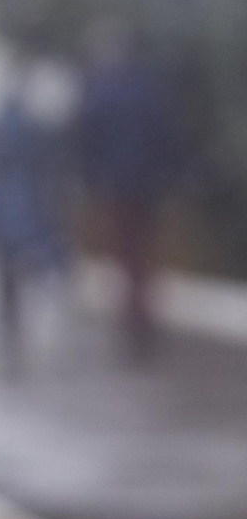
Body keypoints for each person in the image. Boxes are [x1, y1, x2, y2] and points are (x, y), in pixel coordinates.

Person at [76, 31, 183, 360]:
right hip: (147, 188)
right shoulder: (149, 89)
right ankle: (141, 320)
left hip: (115, 188)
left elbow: (84, 138)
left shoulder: (101, 92)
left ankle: (133, 322)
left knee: (124, 256)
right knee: (143, 256)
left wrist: (93, 179)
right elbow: (168, 135)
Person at [0, 69, 75, 375]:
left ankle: (9, 324)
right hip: (27, 205)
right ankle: (19, 323)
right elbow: (47, 168)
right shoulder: (31, 127)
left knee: (5, 272)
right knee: (26, 264)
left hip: (0, 207)